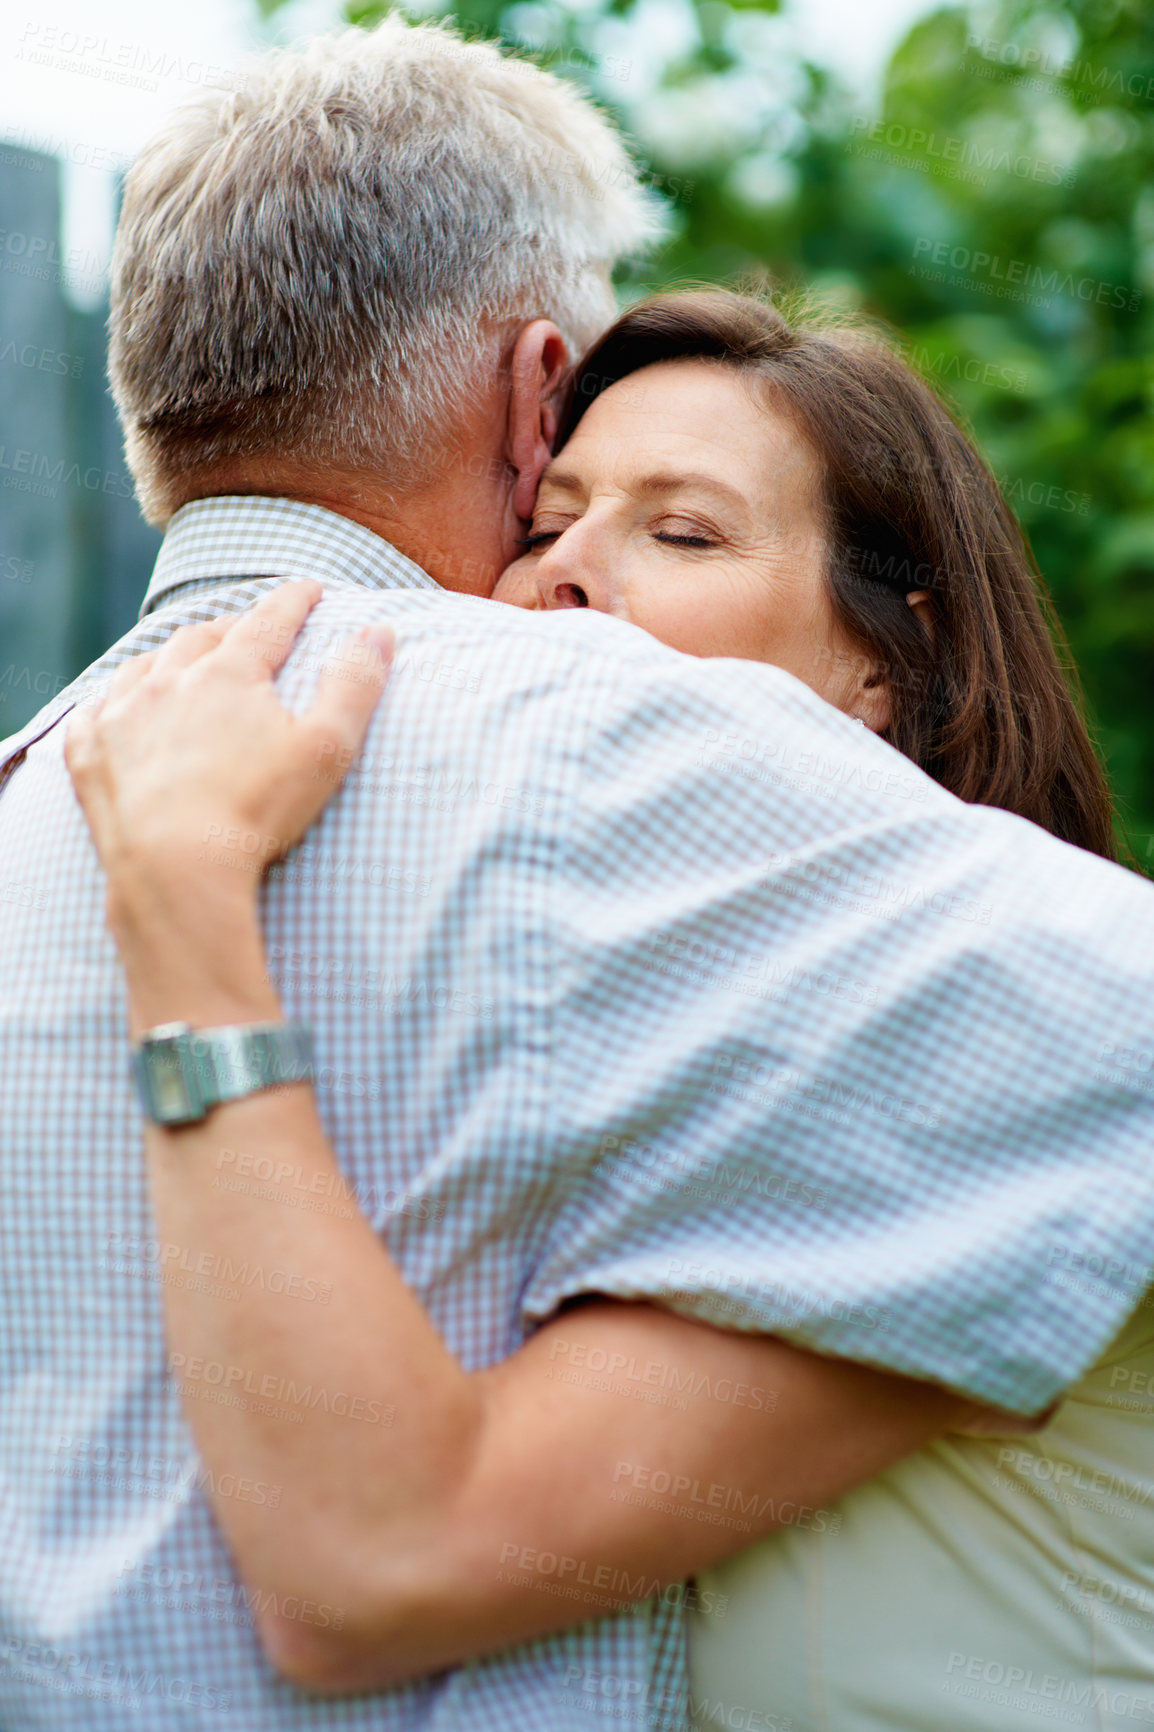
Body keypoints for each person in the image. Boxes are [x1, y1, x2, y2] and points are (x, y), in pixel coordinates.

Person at [2, 17, 1153, 1731]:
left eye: (681, 530)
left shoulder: (46, 784)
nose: (563, 583)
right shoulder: (590, 754)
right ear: (537, 392)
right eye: (554, 518)